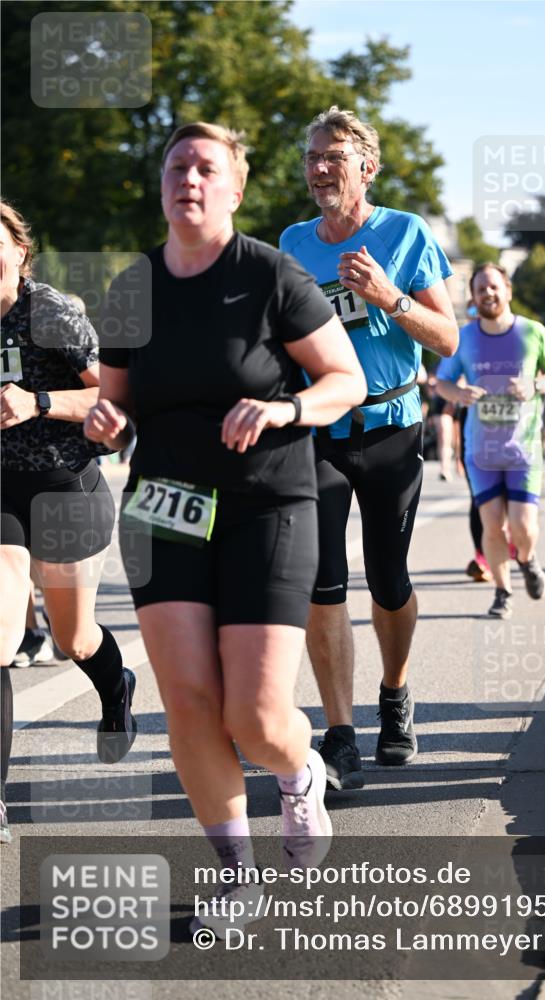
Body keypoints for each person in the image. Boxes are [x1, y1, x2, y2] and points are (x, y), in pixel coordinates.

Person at [84, 122, 366, 935]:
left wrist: (284, 407)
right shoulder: (134, 286)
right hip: (162, 507)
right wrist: (105, 420)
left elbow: (342, 380)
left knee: (254, 715)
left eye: (208, 168)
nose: (190, 179)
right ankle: (237, 875)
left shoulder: (271, 276)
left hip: (265, 505)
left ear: (235, 190)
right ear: (162, 184)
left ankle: (300, 768)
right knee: (188, 701)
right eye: (177, 166)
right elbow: (116, 402)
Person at [280, 106, 458, 790]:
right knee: (322, 584)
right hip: (318, 431)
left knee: (388, 578)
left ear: (367, 168)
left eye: (333, 157)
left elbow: (445, 341)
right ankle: (339, 731)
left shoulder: (404, 234)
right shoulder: (294, 243)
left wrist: (388, 297)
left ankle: (395, 692)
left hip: (390, 428)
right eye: (312, 158)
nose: (320, 168)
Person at [0, 200, 137, 845]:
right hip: (1, 494)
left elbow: (113, 394)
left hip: (64, 485)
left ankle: (115, 690)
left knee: (74, 635)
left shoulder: (49, 312)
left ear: (19, 254)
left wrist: (38, 400)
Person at [436, 263, 545, 620]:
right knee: (492, 525)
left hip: (523, 450)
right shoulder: (463, 337)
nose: (487, 294)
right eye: (480, 289)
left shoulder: (533, 332)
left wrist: (535, 385)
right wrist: (459, 392)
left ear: (507, 290)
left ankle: (526, 558)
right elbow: (441, 382)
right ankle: (502, 591)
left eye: (493, 287)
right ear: (475, 298)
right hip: (481, 452)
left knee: (524, 527)